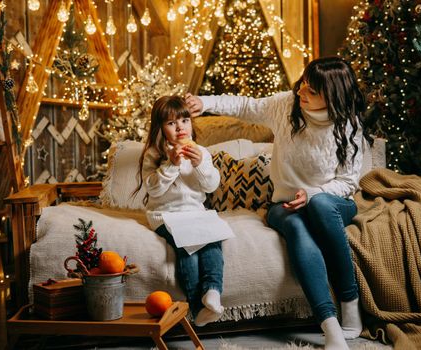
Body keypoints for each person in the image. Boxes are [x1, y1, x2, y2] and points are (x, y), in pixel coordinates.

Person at [186, 56, 373, 350]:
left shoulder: (349, 125)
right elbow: (246, 106)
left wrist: (313, 194)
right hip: (284, 207)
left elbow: (349, 182)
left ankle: (350, 301)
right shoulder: (285, 106)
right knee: (297, 227)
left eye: (311, 91)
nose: (300, 93)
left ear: (332, 97)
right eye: (302, 85)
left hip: (333, 204)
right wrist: (204, 101)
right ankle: (330, 324)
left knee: (320, 205)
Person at [135, 95, 224, 327]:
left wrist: (199, 164)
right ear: (160, 128)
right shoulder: (154, 154)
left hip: (195, 212)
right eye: (171, 123)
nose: (180, 127)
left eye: (184, 120)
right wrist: (171, 165)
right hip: (166, 214)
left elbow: (211, 185)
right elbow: (153, 189)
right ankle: (196, 305)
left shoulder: (201, 151)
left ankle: (212, 291)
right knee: (189, 248)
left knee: (214, 241)